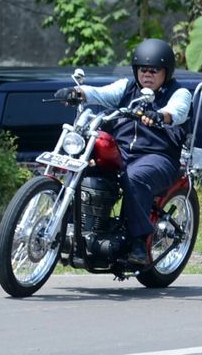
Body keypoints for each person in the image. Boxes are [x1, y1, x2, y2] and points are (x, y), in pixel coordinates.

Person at [54, 38, 192, 265]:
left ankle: (138, 241)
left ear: (166, 71)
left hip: (158, 156)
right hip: (123, 153)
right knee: (86, 166)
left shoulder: (179, 93)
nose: (147, 74)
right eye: (142, 69)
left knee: (135, 177)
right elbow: (100, 93)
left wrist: (161, 116)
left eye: (154, 70)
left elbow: (177, 111)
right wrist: (77, 92)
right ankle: (73, 227)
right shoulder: (127, 88)